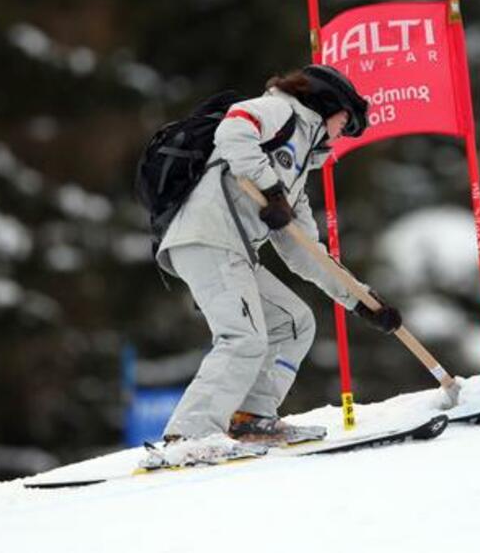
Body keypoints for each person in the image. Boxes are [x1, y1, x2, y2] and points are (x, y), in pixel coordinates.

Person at [146, 64, 403, 467]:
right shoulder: (281, 112)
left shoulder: (297, 174)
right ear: (327, 101)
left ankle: (250, 418)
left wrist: (360, 301)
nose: (342, 135)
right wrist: (269, 189)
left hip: (231, 249)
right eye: (345, 122)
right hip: (208, 236)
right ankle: (189, 435)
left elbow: (305, 253)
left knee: (294, 322)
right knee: (243, 337)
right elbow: (233, 130)